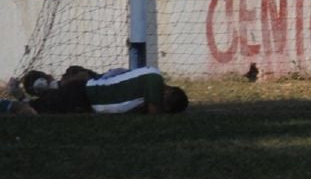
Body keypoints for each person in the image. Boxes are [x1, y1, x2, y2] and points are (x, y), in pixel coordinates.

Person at [11, 66, 188, 115]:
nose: (161, 100)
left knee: (38, 108)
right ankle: (11, 103)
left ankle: (28, 97)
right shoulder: (154, 81)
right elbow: (154, 114)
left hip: (86, 99)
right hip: (83, 94)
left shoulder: (152, 79)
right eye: (165, 100)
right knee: (31, 111)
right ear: (169, 90)